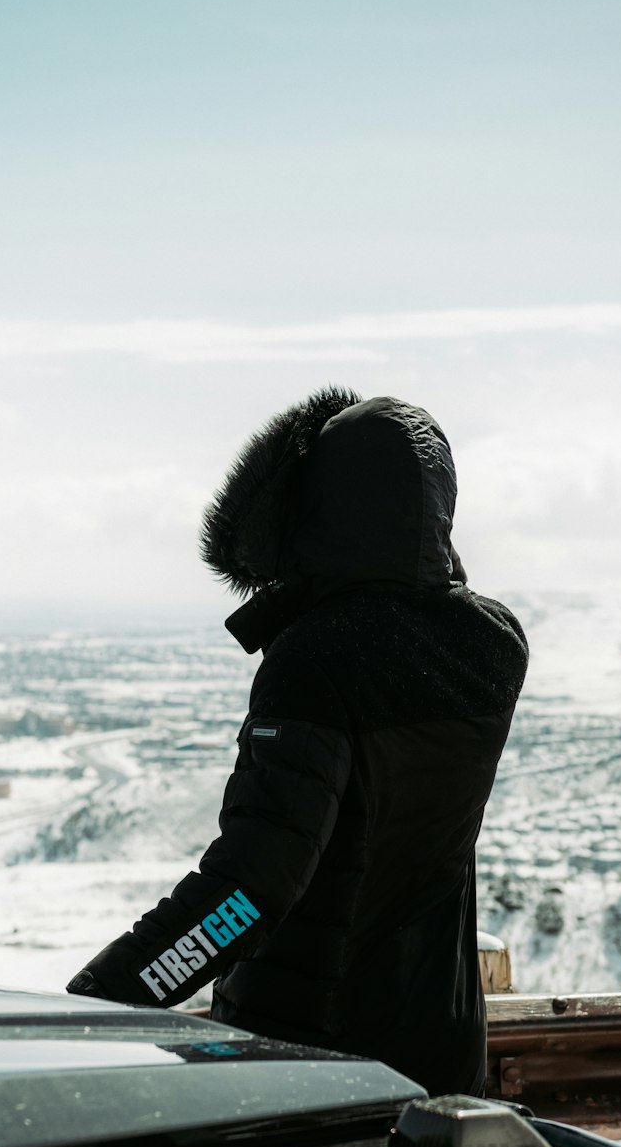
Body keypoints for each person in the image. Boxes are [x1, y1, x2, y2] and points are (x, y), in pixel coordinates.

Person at [67, 389, 527, 1095]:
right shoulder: (493, 645)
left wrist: (101, 1002)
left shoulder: (318, 657)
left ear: (319, 509)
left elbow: (250, 891)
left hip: (310, 1060)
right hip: (441, 1055)